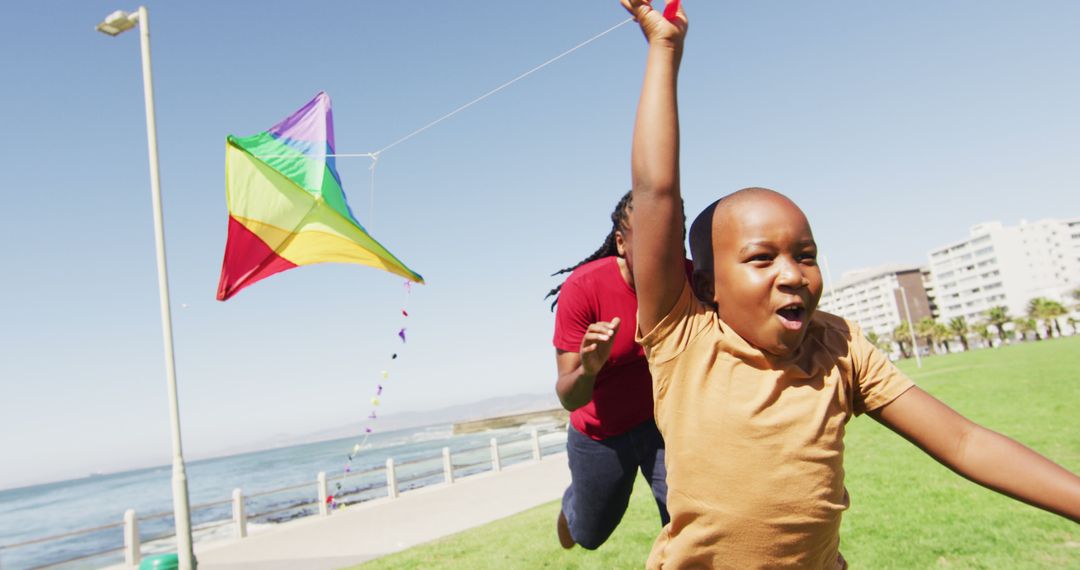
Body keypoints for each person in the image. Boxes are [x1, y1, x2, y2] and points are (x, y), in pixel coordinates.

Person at [618, 1, 1080, 568]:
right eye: (761, 259)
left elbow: (963, 442)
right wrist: (664, 49)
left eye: (805, 255)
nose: (792, 274)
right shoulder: (682, 336)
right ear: (708, 285)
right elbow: (655, 192)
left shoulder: (840, 348)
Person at [546, 191, 670, 550]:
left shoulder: (690, 280)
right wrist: (589, 368)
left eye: (671, 237)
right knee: (588, 535)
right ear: (621, 242)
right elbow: (569, 395)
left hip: (661, 424)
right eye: (647, 242)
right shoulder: (583, 289)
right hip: (601, 434)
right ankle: (572, 509)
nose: (661, 253)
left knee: (689, 519)